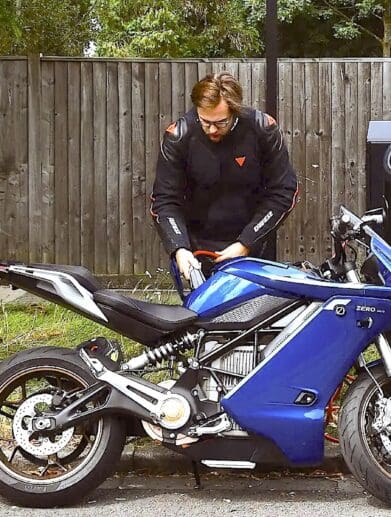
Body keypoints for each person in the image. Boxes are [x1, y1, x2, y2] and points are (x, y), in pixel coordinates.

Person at [150, 72, 298, 280]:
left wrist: (247, 242)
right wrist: (179, 248)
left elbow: (284, 191)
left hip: (253, 246)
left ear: (235, 111)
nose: (212, 130)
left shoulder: (262, 129)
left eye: (221, 122)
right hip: (196, 253)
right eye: (205, 122)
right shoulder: (179, 136)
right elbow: (164, 200)